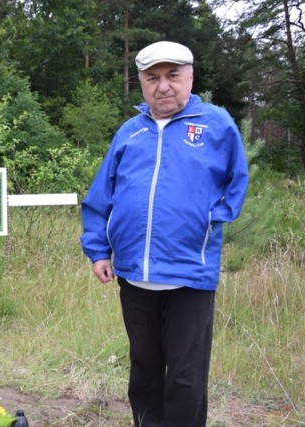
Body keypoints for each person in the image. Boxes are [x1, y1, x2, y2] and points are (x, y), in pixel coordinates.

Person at [80, 41, 249, 426]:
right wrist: (98, 250)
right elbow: (99, 196)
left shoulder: (216, 124)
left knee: (186, 378)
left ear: (189, 77)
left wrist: (208, 218)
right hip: (134, 275)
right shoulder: (129, 133)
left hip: (190, 274)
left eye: (173, 76)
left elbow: (236, 181)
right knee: (144, 371)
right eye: (152, 78)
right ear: (141, 83)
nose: (163, 86)